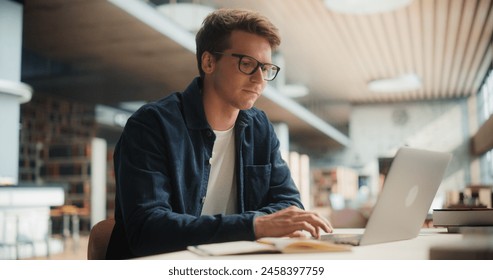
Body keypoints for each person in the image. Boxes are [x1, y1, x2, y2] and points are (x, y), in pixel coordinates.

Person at [106, 8, 332, 259]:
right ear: (208, 62)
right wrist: (254, 226)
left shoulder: (260, 128)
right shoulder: (151, 126)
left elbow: (289, 205)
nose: (260, 80)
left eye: (266, 68)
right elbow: (148, 230)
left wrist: (261, 225)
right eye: (247, 64)